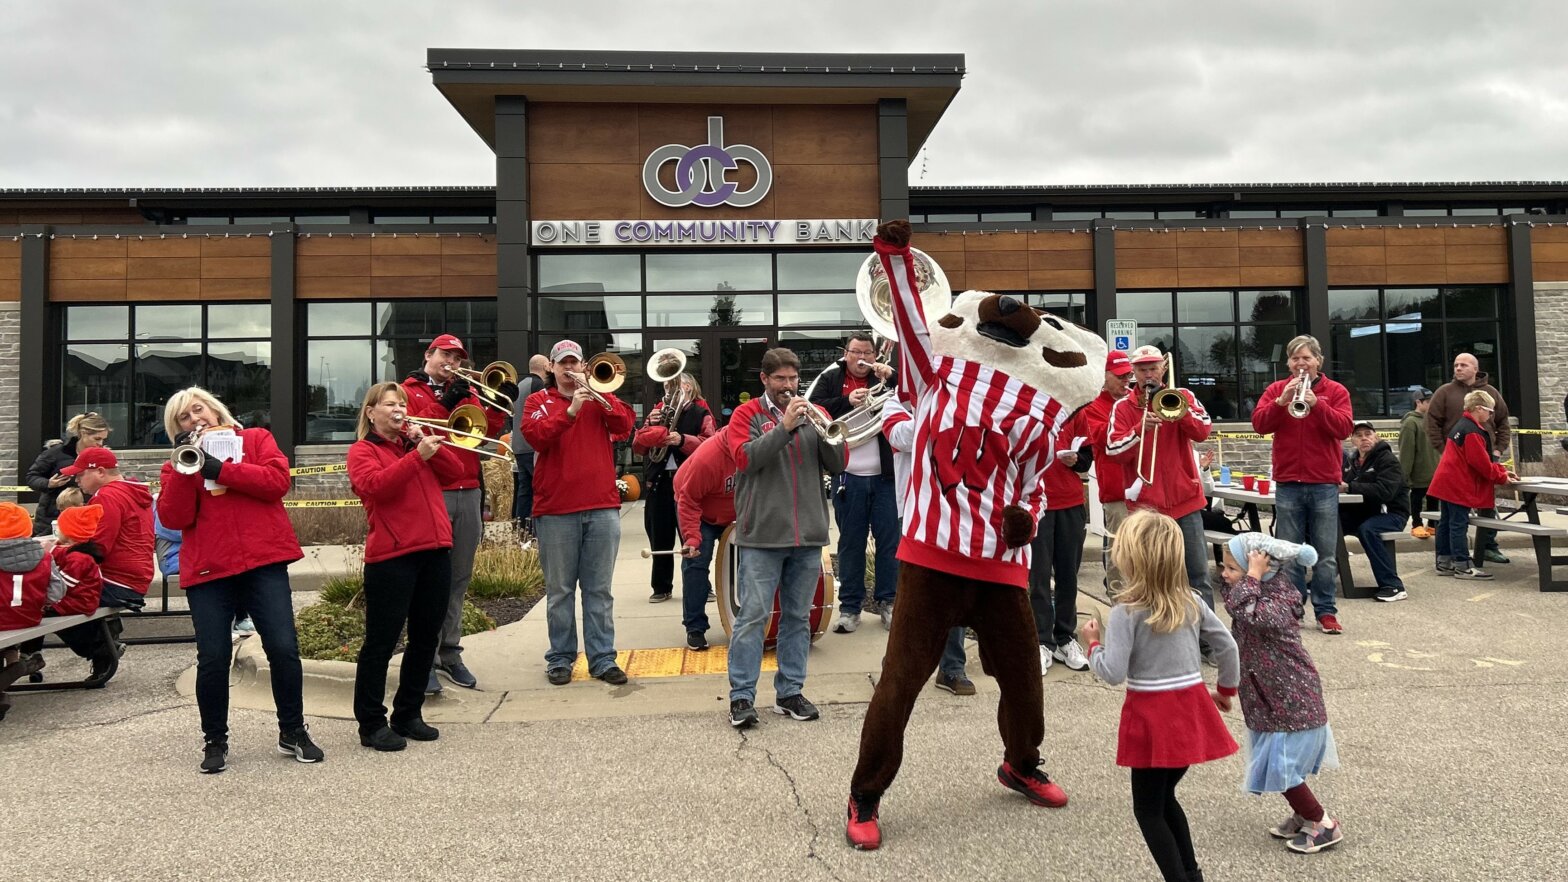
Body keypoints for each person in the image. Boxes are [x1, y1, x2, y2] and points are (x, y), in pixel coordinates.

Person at [156, 386, 320, 774]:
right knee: (212, 658)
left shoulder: (256, 439)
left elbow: (276, 482)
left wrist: (220, 469)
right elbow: (175, 518)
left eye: (199, 410)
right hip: (210, 568)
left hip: (263, 560)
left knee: (283, 648)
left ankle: (292, 730)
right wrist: (186, 468)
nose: (194, 419)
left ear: (215, 411)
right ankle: (215, 740)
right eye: (183, 417)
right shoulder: (177, 463)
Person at [1081, 510, 1240, 882]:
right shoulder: (1192, 602)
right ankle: (1191, 873)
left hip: (1152, 718)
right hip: (1190, 710)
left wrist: (1091, 646)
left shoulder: (1126, 612)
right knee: (1166, 799)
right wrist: (1226, 690)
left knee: (1148, 810)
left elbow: (1113, 672)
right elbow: (1227, 647)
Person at [724, 347, 845, 729]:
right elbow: (745, 458)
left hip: (807, 535)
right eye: (780, 379)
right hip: (762, 536)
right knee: (753, 618)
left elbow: (839, 464)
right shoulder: (747, 415)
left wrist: (830, 438)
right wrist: (784, 428)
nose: (789, 386)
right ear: (764, 379)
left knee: (798, 618)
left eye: (794, 379)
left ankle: (790, 691)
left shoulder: (816, 414)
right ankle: (741, 697)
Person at [347, 382, 466, 752]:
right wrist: (417, 457)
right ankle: (370, 723)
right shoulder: (362, 451)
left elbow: (456, 471)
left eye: (402, 404)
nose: (399, 410)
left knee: (425, 638)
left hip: (434, 552)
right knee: (381, 643)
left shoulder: (414, 445)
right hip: (392, 557)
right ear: (371, 412)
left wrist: (422, 443)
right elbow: (376, 487)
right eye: (389, 404)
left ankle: (408, 714)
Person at [520, 339, 636, 687]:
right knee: (560, 591)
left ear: (585, 367)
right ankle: (560, 657)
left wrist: (601, 395)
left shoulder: (597, 397)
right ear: (551, 370)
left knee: (599, 590)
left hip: (601, 507)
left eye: (576, 364)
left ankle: (602, 658)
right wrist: (570, 411)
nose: (570, 370)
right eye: (563, 364)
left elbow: (625, 425)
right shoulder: (537, 401)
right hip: (556, 509)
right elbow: (536, 437)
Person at [1219, 533, 1344, 854]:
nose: (1225, 575)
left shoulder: (1281, 598)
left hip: (1292, 696)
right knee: (1276, 761)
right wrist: (1250, 576)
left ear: (1265, 570)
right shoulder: (1251, 592)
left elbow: (1251, 613)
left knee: (1281, 766)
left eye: (1231, 568)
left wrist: (1251, 575)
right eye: (1226, 567)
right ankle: (1303, 814)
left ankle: (1322, 823)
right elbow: (1236, 601)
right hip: (1267, 696)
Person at [403, 333, 506, 693]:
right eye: (446, 355)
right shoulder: (408, 390)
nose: (452, 363)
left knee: (459, 579)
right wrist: (445, 403)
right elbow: (414, 430)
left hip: (468, 490)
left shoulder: (466, 389)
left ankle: (450, 650)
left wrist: (492, 398)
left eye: (458, 358)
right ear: (429, 354)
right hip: (432, 492)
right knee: (428, 580)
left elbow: (489, 431)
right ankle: (423, 658)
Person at [1250, 334, 1354, 635]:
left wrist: (1318, 405)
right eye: (1295, 359)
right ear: (1288, 363)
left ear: (1318, 361)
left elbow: (1344, 428)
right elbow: (1259, 424)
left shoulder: (1335, 391)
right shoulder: (1276, 390)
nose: (1301, 364)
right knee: (1288, 553)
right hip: (1288, 482)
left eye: (1307, 358)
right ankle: (1291, 609)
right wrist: (1282, 402)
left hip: (1323, 482)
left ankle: (1326, 611)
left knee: (1325, 553)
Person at [1106, 346, 1215, 612]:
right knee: (1148, 578)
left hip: (1185, 502)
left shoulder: (1184, 396)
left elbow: (1203, 431)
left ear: (1163, 369)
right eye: (1142, 370)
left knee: (1197, 576)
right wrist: (1138, 430)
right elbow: (1113, 451)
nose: (1148, 375)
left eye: (1153, 368)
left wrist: (1179, 412)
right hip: (1146, 508)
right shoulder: (1123, 406)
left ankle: (1205, 642)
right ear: (1134, 373)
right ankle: (1155, 638)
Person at [879, 398, 972, 696]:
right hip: (913, 508)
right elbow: (900, 437)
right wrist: (936, 413)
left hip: (953, 506)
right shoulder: (895, 403)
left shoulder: (955, 399)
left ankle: (952, 667)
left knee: (955, 588)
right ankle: (897, 664)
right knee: (912, 591)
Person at [809, 332, 900, 632]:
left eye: (867, 352)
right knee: (850, 544)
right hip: (849, 476)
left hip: (887, 478)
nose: (862, 358)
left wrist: (895, 378)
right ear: (845, 353)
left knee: (890, 543)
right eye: (856, 352)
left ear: (875, 355)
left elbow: (915, 398)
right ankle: (850, 608)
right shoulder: (832, 378)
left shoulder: (886, 377)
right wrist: (847, 400)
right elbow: (815, 409)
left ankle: (888, 603)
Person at [632, 369, 716, 603]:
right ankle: (661, 586)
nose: (671, 390)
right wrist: (652, 429)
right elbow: (638, 446)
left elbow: (711, 445)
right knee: (659, 535)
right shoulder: (658, 412)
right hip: (660, 481)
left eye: (678, 386)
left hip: (690, 482)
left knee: (692, 538)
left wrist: (682, 440)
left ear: (690, 388)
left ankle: (702, 586)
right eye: (668, 386)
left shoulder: (701, 413)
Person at [1426, 353, 1512, 565]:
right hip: (1458, 460)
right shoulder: (1445, 393)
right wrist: (1446, 450)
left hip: (1487, 455)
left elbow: (1503, 423)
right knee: (1455, 516)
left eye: (1463, 365)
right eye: (1455, 365)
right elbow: (1431, 424)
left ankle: (1487, 545)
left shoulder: (1490, 393)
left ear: (1475, 368)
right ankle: (1458, 561)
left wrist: (1499, 450)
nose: (1458, 368)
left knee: (1485, 505)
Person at [1030, 410, 1093, 673]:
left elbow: (1087, 458)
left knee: (1069, 575)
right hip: (1036, 501)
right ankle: (1042, 640)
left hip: (1070, 501)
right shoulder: (1028, 407)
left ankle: (1066, 637)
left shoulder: (1076, 411)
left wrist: (1076, 460)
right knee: (1039, 577)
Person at [674, 428, 736, 652]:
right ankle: (695, 627)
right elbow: (688, 499)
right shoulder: (708, 458)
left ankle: (741, 620)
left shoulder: (758, 450)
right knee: (696, 564)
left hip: (735, 515)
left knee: (743, 566)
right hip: (698, 511)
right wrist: (691, 537)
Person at [1340, 420, 1410, 602]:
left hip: (1391, 514)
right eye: (1359, 435)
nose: (1364, 438)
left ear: (1376, 436)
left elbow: (1385, 492)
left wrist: (1350, 487)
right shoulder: (1351, 462)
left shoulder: (1386, 459)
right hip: (1364, 513)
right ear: (1352, 440)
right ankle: (1323, 577)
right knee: (1325, 523)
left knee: (1368, 530)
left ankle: (1393, 585)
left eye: (1368, 434)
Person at [1083, 350, 1135, 595]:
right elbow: (1104, 439)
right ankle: (1119, 606)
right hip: (1117, 491)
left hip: (1144, 489)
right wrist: (1132, 420)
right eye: (1121, 376)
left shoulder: (1135, 400)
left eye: (1129, 376)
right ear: (1104, 377)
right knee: (1119, 556)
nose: (1127, 381)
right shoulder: (1093, 406)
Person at [24, 412, 111, 537]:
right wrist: (48, 484)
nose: (101, 443)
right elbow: (31, 476)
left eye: (103, 439)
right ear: (83, 434)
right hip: (52, 520)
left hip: (87, 515)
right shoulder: (55, 453)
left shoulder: (102, 456)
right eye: (97, 439)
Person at [510, 354, 549, 531]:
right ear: (544, 366)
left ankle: (522, 527)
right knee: (540, 487)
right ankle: (536, 528)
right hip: (531, 445)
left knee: (524, 489)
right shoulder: (538, 385)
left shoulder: (521, 384)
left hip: (518, 445)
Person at [1399, 387, 1440, 538]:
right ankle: (1416, 524)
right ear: (1418, 402)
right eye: (1428, 402)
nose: (1432, 405)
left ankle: (1432, 524)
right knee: (1417, 497)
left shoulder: (1435, 421)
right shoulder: (1411, 422)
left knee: (1434, 499)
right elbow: (1406, 450)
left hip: (1435, 469)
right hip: (1419, 470)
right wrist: (1405, 474)